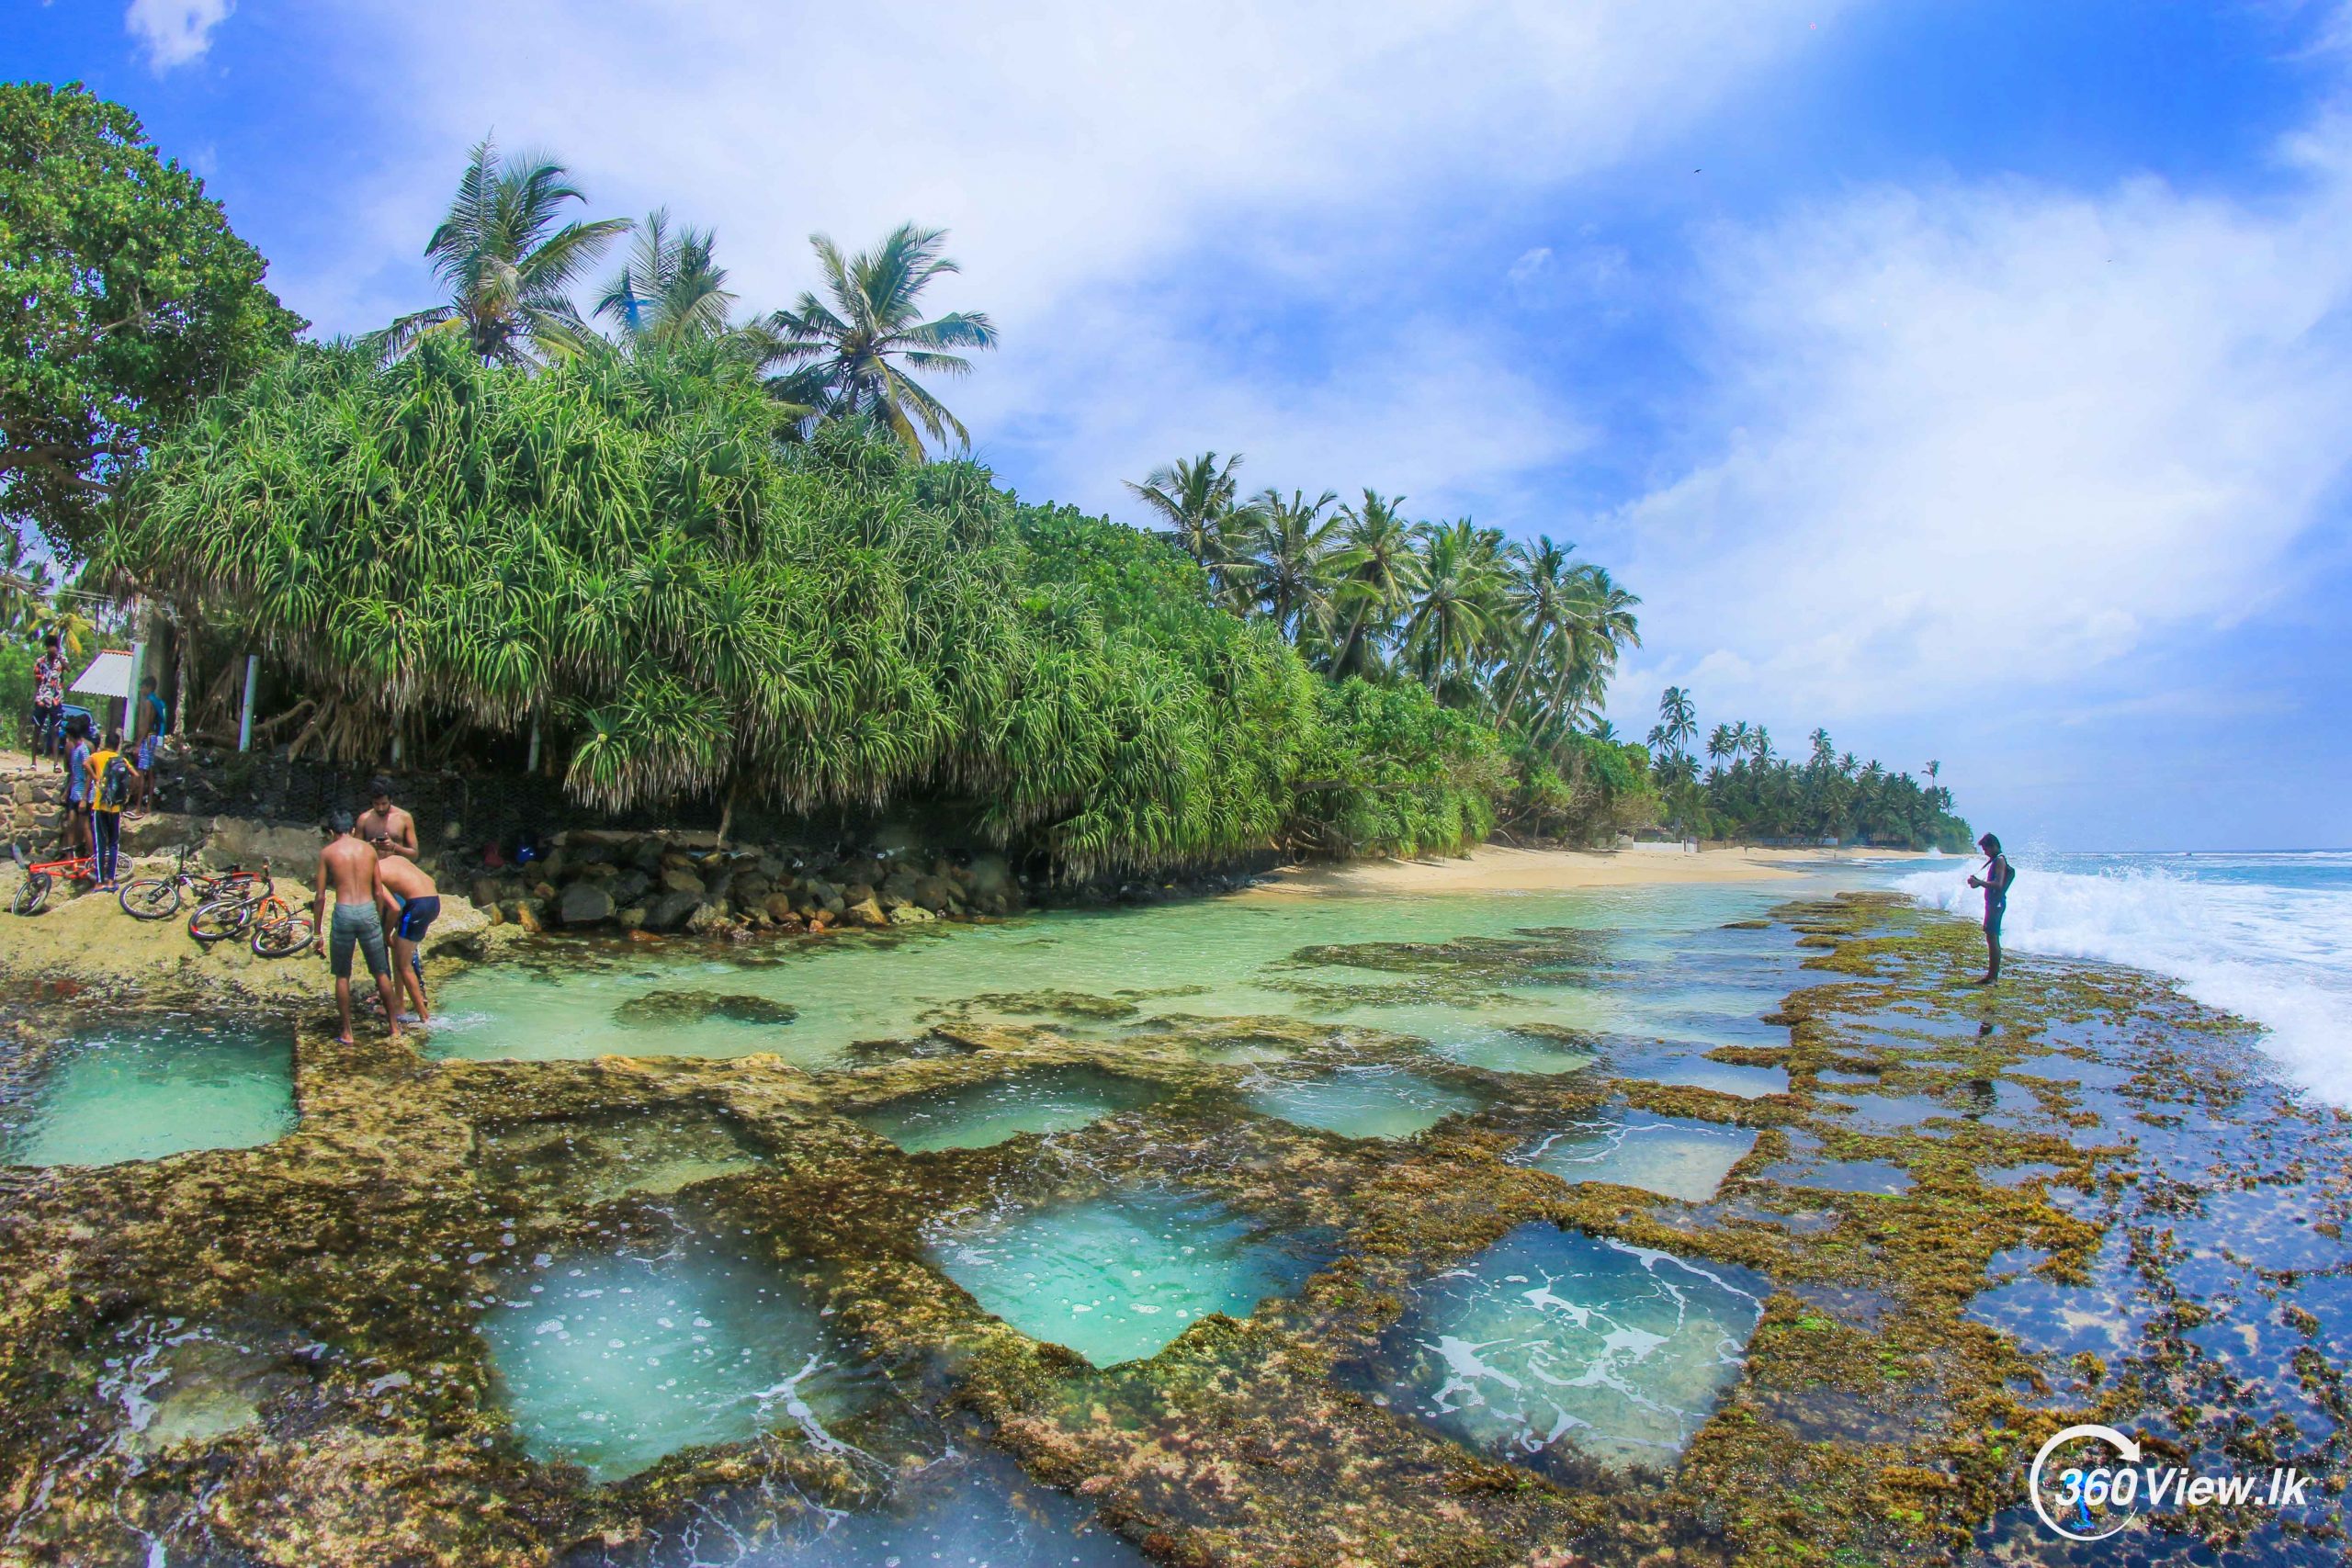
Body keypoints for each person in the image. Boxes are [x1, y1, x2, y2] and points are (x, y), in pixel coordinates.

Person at [311, 809, 403, 1045]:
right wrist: (378, 916)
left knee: (342, 975)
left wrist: (317, 931)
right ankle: (394, 1028)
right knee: (380, 972)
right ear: (352, 829)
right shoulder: (368, 850)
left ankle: (348, 1032)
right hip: (367, 911)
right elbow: (378, 890)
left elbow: (320, 896)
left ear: (332, 832)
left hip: (344, 912)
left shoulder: (327, 853)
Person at [377, 852, 441, 1024]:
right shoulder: (396, 860)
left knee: (403, 965)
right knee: (399, 950)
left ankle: (424, 1018)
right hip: (433, 901)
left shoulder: (372, 872)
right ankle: (399, 1004)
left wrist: (385, 933)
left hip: (417, 906)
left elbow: (395, 908)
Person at [85, 728, 136, 891]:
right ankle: (111, 881)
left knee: (101, 844)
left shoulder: (97, 756)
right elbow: (135, 775)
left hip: (100, 805)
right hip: (115, 807)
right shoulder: (120, 759)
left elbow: (85, 763)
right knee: (114, 844)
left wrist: (95, 778)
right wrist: (128, 794)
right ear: (117, 745)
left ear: (105, 743)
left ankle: (100, 882)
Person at [1965, 832, 2016, 985]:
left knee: (1993, 939)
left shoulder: (1999, 860)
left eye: (1986, 849)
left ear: (1993, 846)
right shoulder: (1996, 860)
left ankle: (1993, 977)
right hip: (1994, 903)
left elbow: (1998, 884)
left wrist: (1980, 882)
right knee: (1991, 937)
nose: (1985, 852)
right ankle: (1991, 975)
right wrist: (1978, 883)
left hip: (1996, 904)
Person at [356, 776, 418, 863]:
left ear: (391, 800)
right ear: (371, 801)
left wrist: (394, 847)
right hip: (373, 867)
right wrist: (370, 846)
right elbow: (355, 852)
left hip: (397, 868)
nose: (380, 808)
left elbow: (414, 855)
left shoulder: (404, 818)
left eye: (384, 803)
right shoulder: (364, 819)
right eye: (376, 804)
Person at [130, 675, 168, 814]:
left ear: (149, 688)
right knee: (150, 772)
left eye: (142, 687)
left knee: (142, 772)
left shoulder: (148, 702)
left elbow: (146, 725)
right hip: (153, 738)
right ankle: (149, 806)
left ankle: (139, 807)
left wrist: (138, 743)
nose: (141, 690)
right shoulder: (157, 702)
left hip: (147, 738)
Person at [61, 715, 94, 863]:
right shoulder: (76, 749)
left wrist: (84, 798)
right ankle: (69, 857)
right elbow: (74, 773)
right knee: (71, 823)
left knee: (85, 826)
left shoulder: (84, 750)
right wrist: (67, 792)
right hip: (74, 792)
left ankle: (94, 860)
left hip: (82, 793)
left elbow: (89, 775)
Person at [30, 636, 64, 766]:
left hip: (56, 699)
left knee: (55, 731)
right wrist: (38, 695)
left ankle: (56, 763)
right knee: (37, 729)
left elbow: (68, 669)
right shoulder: (40, 661)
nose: (53, 649)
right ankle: (33, 762)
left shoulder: (61, 661)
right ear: (47, 647)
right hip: (42, 699)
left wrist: (59, 657)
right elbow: (36, 680)